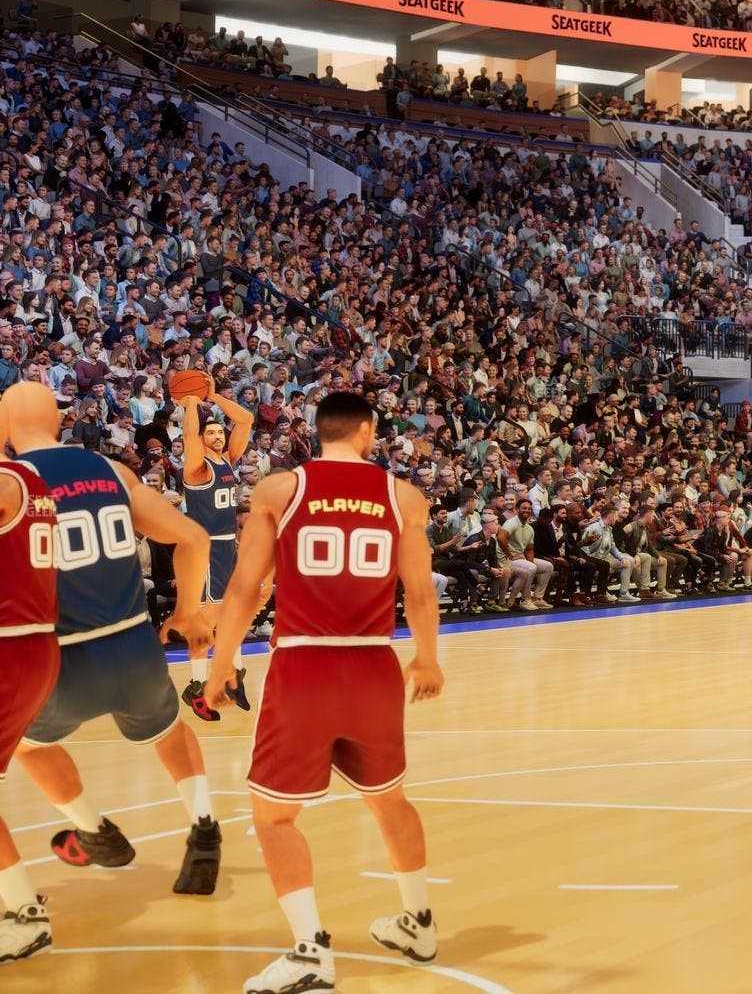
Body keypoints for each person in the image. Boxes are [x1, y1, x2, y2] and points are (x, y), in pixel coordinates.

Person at [205, 392, 447, 992]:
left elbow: (244, 590)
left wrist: (220, 665)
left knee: (274, 818)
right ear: (367, 432)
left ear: (320, 433)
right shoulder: (403, 497)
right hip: (372, 668)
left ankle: (310, 951)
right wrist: (427, 657)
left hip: (305, 667)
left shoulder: (279, 491)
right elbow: (419, 593)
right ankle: (418, 922)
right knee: (390, 801)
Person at [0, 382, 221, 897]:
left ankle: (95, 831)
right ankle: (205, 828)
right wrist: (189, 611)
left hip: (59, 660)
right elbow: (193, 538)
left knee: (30, 748)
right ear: (59, 421)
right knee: (169, 731)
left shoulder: (12, 484)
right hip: (134, 646)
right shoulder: (112, 471)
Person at [0, 452, 61, 966]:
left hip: (12, 646)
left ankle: (25, 913)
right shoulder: (31, 481)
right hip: (29, 644)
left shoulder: (4, 484)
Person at [176, 383, 255, 719]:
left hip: (226, 547)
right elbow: (190, 437)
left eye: (220, 432)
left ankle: (233, 676)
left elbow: (246, 419)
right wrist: (191, 404)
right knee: (207, 620)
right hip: (204, 549)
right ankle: (196, 687)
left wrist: (213, 397)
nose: (218, 436)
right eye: (211, 432)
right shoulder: (196, 466)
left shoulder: (228, 460)